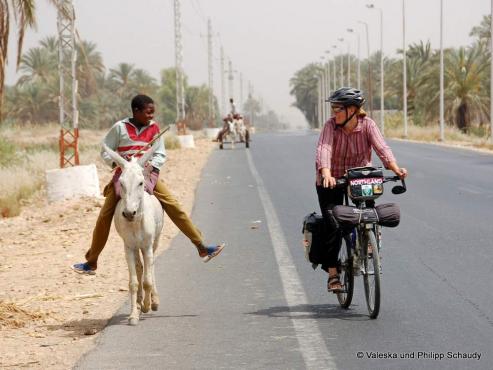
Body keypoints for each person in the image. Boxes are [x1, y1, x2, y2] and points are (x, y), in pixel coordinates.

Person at [72, 94, 224, 275]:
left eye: (153, 113)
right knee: (104, 215)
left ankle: (201, 246)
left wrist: (152, 166)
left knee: (173, 205)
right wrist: (118, 163)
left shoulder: (155, 129)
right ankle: (91, 262)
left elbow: (160, 153)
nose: (151, 116)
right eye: (148, 112)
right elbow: (106, 149)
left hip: (146, 174)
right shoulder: (119, 128)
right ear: (136, 111)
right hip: (125, 175)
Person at [315, 87, 407, 292]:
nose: (334, 113)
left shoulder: (368, 125)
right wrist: (327, 174)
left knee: (369, 214)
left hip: (360, 178)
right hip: (333, 179)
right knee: (332, 224)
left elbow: (382, 148)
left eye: (337, 109)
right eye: (333, 108)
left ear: (352, 110)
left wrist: (396, 169)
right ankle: (333, 275)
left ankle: (368, 240)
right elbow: (325, 149)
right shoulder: (330, 126)